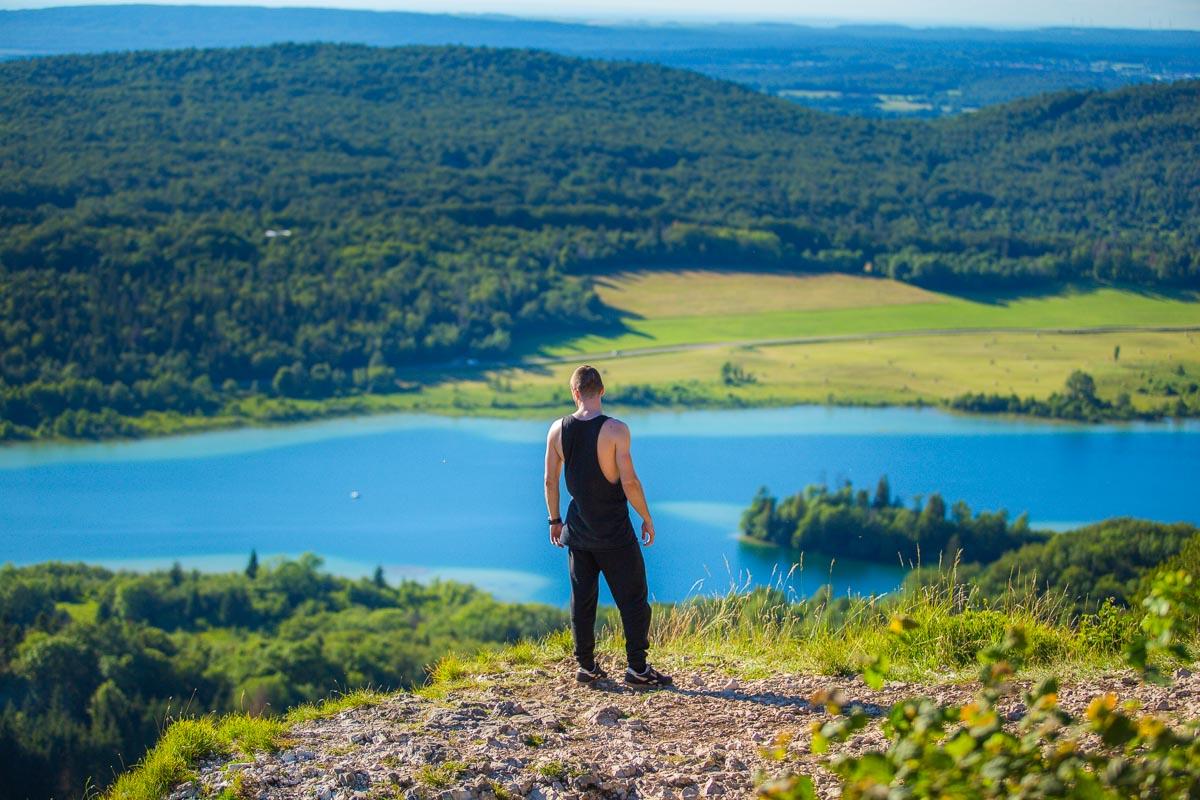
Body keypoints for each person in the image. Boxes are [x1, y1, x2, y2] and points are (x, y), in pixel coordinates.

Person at [543, 365, 673, 687]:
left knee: (582, 601)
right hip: (614, 534)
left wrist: (555, 520)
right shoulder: (616, 430)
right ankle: (637, 669)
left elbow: (549, 480)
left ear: (574, 393)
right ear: (601, 391)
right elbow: (629, 481)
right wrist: (646, 517)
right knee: (633, 601)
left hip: (578, 533)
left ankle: (586, 666)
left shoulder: (557, 430)